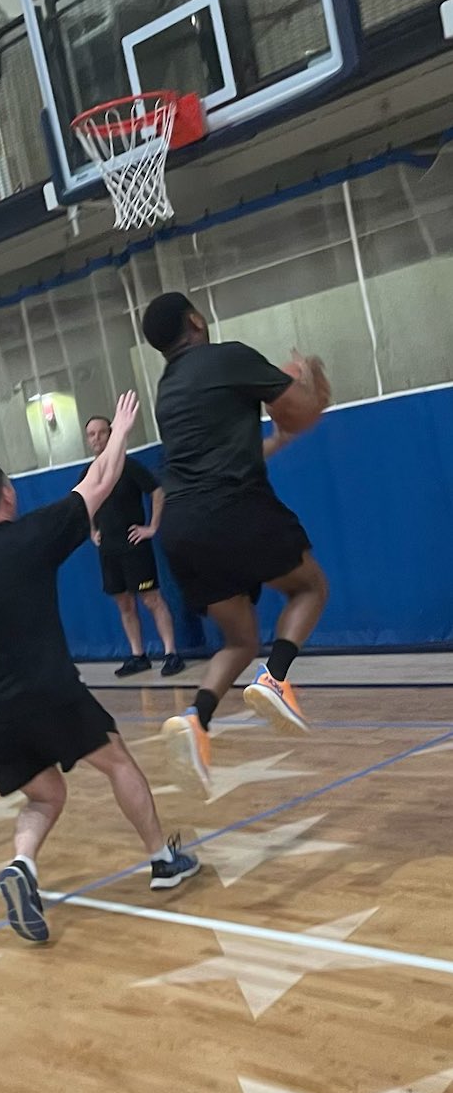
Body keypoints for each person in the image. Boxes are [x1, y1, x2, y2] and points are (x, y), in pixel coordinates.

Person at [0, 391, 199, 945]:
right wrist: (119, 431)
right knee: (118, 762)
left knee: (45, 795)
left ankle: (21, 865)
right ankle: (162, 860)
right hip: (50, 694)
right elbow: (99, 484)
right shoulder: (37, 532)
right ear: (7, 494)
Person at [141, 292, 331, 797]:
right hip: (233, 510)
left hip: (183, 526)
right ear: (196, 319)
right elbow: (302, 413)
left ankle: (195, 720)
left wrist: (279, 438)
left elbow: (235, 451)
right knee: (309, 587)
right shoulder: (228, 356)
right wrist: (306, 378)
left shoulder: (169, 388)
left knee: (240, 640)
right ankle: (276, 678)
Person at [82, 414, 185, 678]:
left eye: (101, 433)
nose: (97, 439)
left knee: (151, 599)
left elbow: (157, 492)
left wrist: (151, 527)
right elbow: (83, 504)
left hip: (134, 546)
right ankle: (138, 655)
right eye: (91, 434)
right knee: (124, 604)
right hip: (109, 551)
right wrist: (93, 531)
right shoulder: (88, 474)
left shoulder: (128, 466)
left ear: (111, 434)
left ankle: (171, 653)